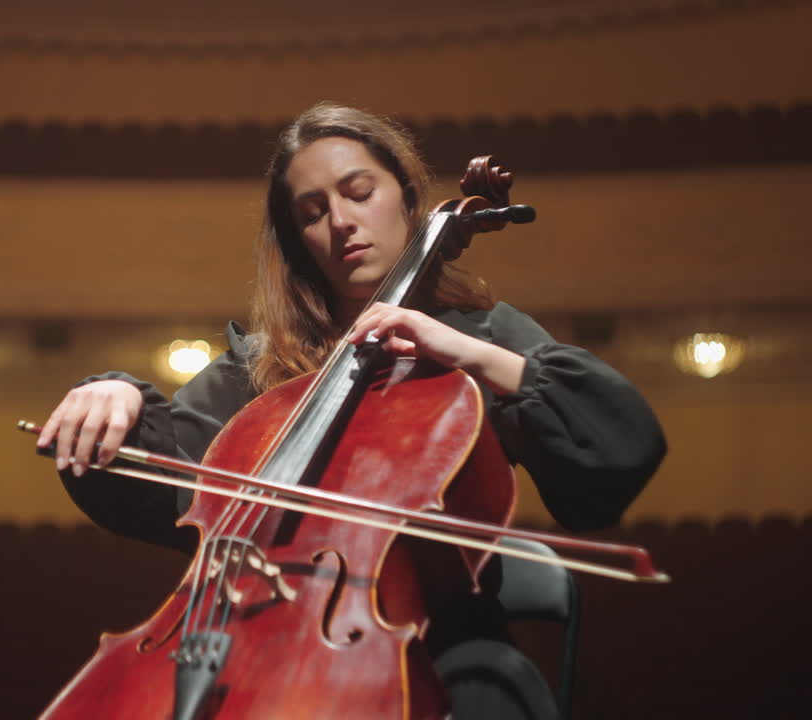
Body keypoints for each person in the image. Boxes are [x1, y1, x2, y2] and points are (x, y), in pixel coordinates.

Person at [36, 102, 666, 719]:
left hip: (433, 644)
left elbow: (614, 448)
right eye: (314, 212)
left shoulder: (483, 336)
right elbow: (162, 480)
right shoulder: (259, 370)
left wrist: (467, 352)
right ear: (298, 240)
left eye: (359, 192)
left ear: (406, 198)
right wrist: (112, 395)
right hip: (243, 641)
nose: (341, 221)